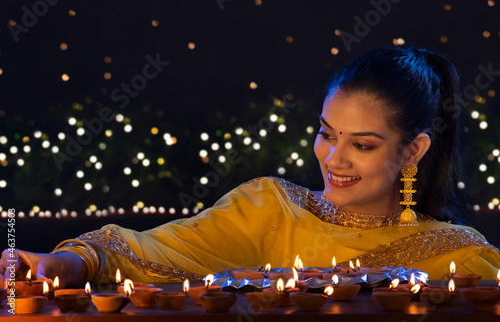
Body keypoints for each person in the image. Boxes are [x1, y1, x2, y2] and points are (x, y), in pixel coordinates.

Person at [2, 46, 500, 289]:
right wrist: (68, 262)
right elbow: (159, 250)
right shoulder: (268, 208)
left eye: (362, 145)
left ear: (413, 151)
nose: (333, 158)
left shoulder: (459, 258)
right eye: (327, 133)